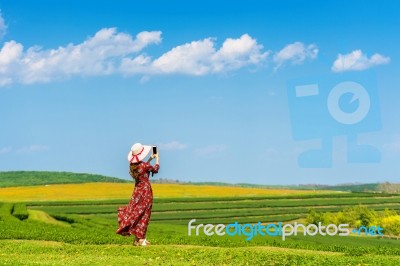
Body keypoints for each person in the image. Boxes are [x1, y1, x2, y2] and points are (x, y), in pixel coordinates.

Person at [116, 143, 160, 246]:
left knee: (136, 212)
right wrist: (157, 158)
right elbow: (155, 169)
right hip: (145, 192)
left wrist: (149, 159)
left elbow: (143, 168)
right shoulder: (144, 166)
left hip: (136, 192)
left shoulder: (133, 167)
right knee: (144, 214)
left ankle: (137, 239)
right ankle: (141, 239)